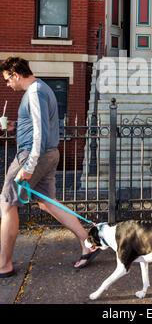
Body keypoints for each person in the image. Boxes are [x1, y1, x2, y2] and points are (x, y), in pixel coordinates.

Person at [0, 57, 99, 278]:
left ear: (16, 75)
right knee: (47, 202)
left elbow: (40, 133)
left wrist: (28, 166)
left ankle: (3, 265)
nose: (7, 85)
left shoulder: (34, 92)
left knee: (6, 204)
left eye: (7, 80)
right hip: (49, 154)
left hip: (33, 155)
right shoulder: (42, 88)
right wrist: (14, 126)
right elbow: (38, 125)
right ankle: (88, 243)